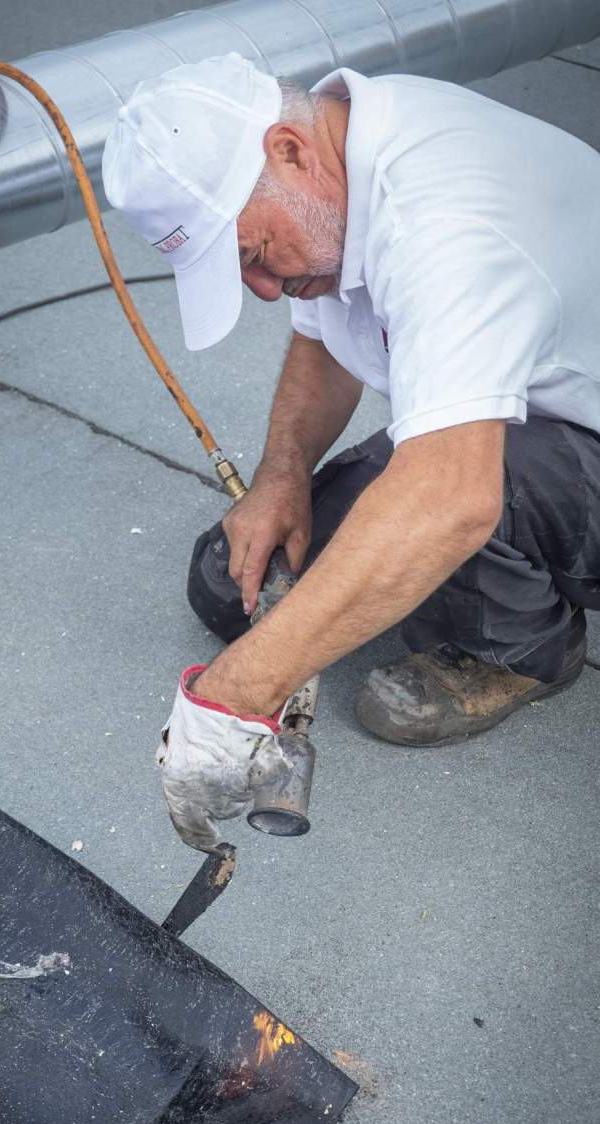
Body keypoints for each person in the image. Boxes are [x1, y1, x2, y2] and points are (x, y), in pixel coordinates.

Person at [102, 52, 600, 853]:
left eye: (257, 255)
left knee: (462, 492)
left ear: (287, 153)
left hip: (557, 443)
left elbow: (450, 496)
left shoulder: (448, 225)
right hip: (530, 421)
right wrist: (280, 476)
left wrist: (240, 693)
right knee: (229, 582)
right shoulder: (342, 162)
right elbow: (325, 340)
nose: (262, 290)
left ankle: (525, 650)